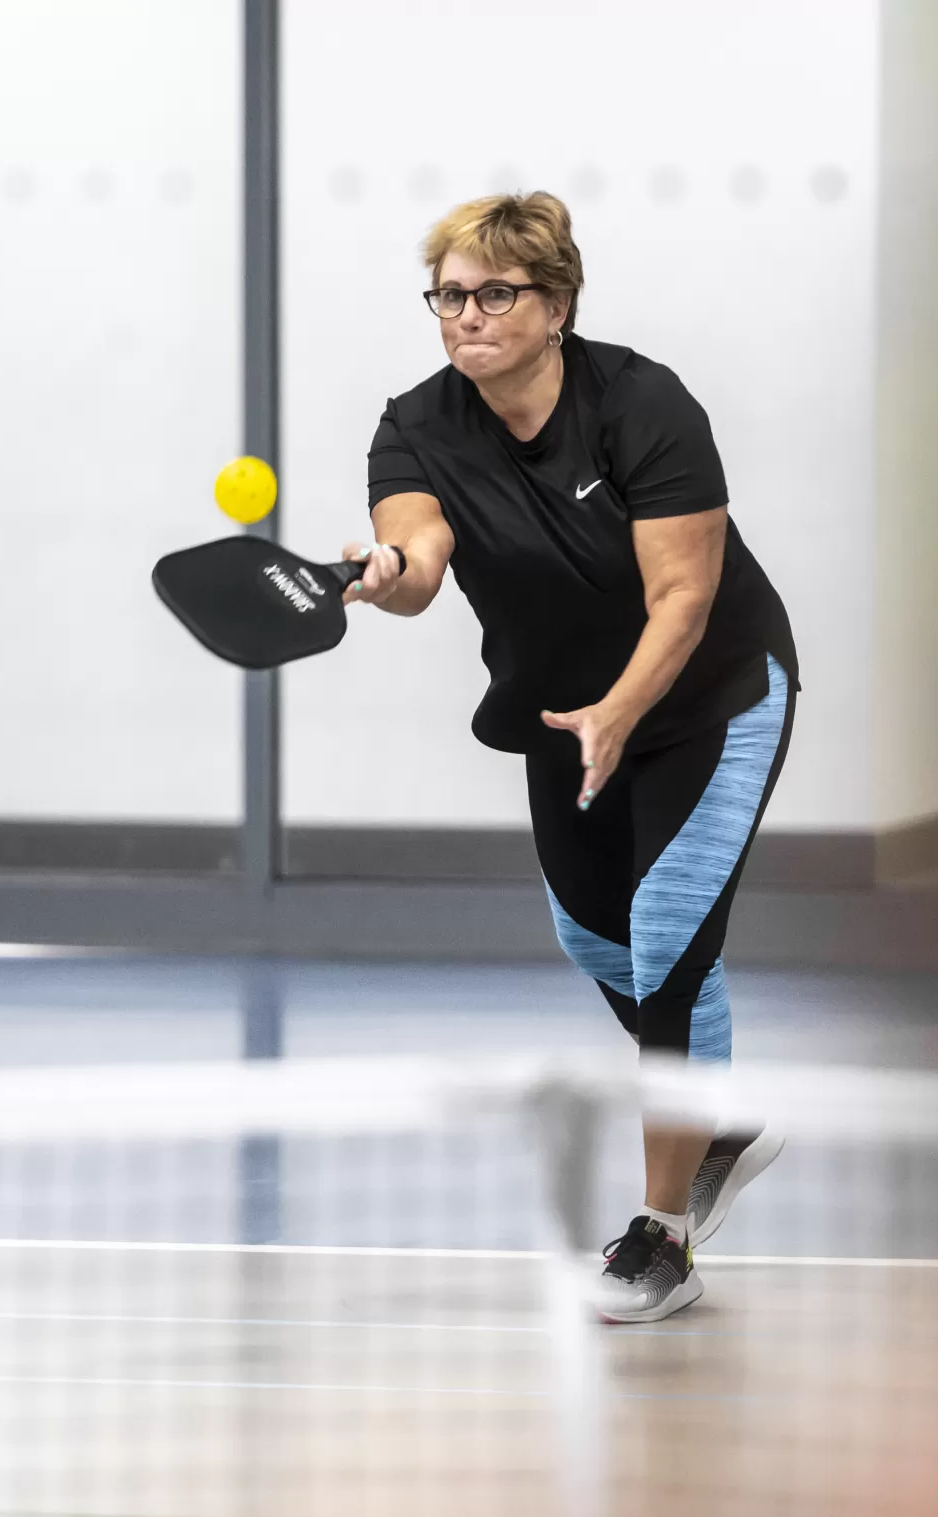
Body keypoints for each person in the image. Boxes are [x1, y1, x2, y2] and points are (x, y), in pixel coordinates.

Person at [342, 191, 800, 1322]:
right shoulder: (417, 424)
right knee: (592, 932)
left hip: (712, 694)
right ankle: (725, 1121)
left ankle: (664, 1232)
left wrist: (619, 711)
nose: (466, 314)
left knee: (664, 933)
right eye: (448, 294)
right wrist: (384, 573)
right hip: (562, 711)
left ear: (554, 305)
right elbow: (422, 556)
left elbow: (684, 598)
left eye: (494, 292)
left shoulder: (641, 404)